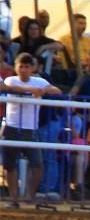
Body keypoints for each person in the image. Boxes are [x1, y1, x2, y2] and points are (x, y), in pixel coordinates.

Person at [2, 53, 60, 208]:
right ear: (16, 67)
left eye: (26, 67)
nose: (23, 70)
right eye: (21, 66)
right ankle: (14, 198)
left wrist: (43, 90)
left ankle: (29, 195)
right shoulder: (11, 79)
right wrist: (33, 89)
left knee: (37, 163)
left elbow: (56, 90)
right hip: (12, 126)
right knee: (9, 164)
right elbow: (10, 87)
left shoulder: (39, 81)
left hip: (30, 128)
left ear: (32, 68)